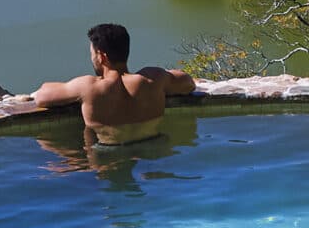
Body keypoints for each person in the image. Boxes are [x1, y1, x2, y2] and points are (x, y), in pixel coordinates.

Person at [30, 23, 196, 144]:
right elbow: (188, 83)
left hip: (108, 157)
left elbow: (42, 97)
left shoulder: (89, 87)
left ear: (101, 57)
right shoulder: (153, 78)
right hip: (154, 147)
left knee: (46, 148)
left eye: (92, 54)